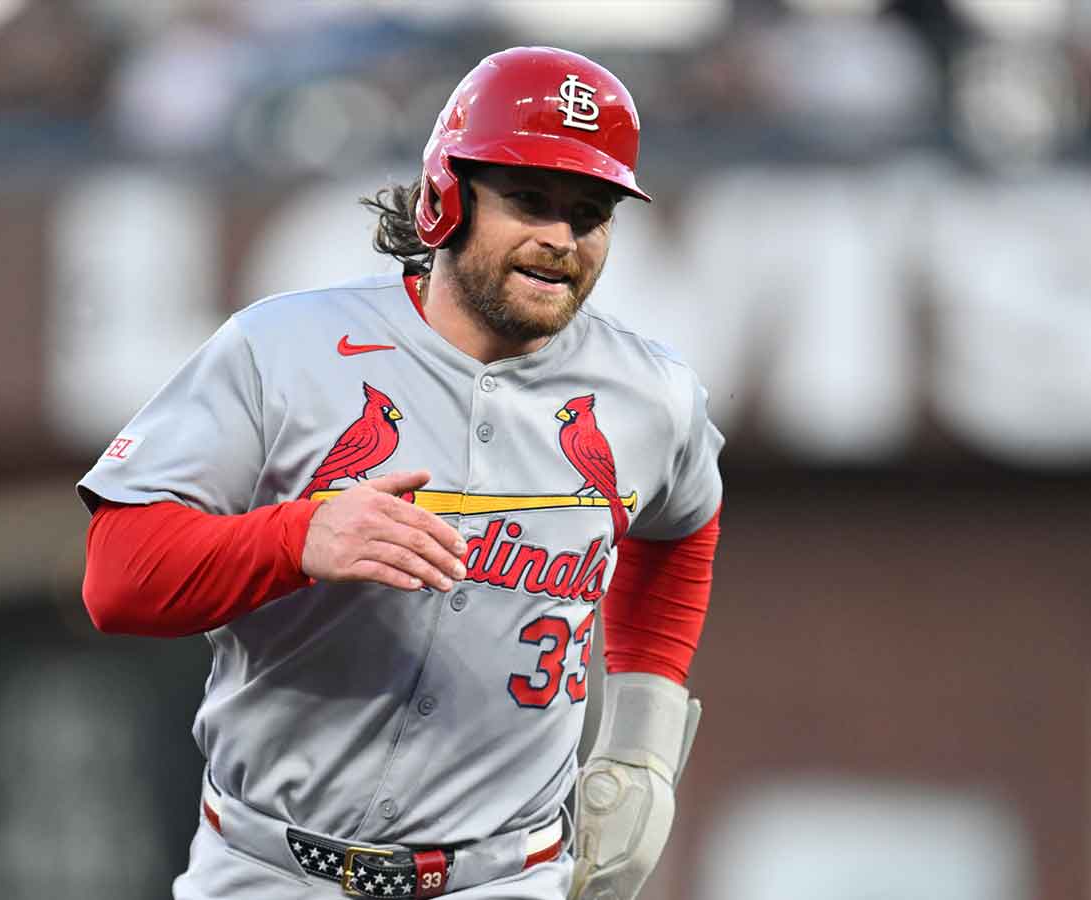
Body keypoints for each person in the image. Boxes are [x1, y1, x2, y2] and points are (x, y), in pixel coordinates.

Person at [77, 45, 723, 900]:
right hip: (270, 867)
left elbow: (682, 530)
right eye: (528, 199)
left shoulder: (651, 396)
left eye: (590, 211)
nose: (560, 238)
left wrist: (639, 746)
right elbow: (116, 579)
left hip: (503, 875)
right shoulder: (285, 347)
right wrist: (298, 534)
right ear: (445, 197)